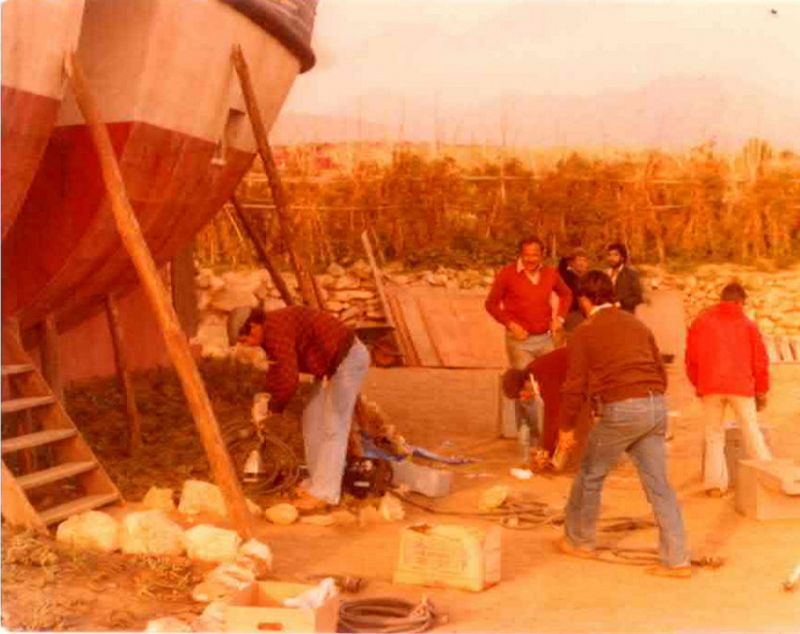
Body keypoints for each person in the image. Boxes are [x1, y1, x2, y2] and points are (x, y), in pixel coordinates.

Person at [557, 271, 690, 578]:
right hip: (655, 404)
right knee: (660, 487)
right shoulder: (637, 324)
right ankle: (677, 559)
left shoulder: (585, 332)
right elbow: (661, 371)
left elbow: (573, 386)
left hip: (622, 407)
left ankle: (580, 540)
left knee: (591, 473)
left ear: (584, 300)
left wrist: (565, 428)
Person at [233, 305, 370, 510]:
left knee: (334, 426)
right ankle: (317, 483)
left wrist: (275, 407)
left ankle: (325, 493)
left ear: (252, 327)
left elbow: (289, 379)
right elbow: (278, 369)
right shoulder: (270, 330)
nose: (248, 345)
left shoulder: (275, 330)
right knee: (312, 421)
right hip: (329, 366)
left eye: (245, 340)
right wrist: (267, 397)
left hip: (348, 359)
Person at [685, 282, 771, 497]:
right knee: (751, 431)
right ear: (740, 301)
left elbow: (691, 359)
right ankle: (770, 478)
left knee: (714, 435)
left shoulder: (701, 323)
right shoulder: (748, 325)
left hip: (710, 386)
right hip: (741, 387)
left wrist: (698, 384)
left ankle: (714, 485)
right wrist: (761, 390)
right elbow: (760, 361)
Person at [486, 236, 573, 369]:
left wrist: (559, 319)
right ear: (520, 254)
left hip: (546, 339)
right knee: (524, 382)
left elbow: (566, 294)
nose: (530, 259)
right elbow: (491, 304)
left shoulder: (550, 273)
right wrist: (510, 324)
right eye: (526, 255)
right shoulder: (507, 273)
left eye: (535, 255)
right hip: (519, 341)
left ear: (542, 255)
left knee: (549, 379)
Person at [606, 242, 643, 313]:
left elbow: (638, 298)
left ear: (622, 257)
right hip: (609, 315)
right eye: (609, 255)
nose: (611, 258)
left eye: (615, 255)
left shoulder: (631, 274)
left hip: (626, 315)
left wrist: (621, 303)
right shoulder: (605, 274)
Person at [558, 247, 590, 331]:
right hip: (572, 313)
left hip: (584, 313)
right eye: (579, 260)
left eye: (584, 260)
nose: (582, 263)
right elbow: (562, 267)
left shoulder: (586, 278)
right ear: (571, 263)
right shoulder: (567, 276)